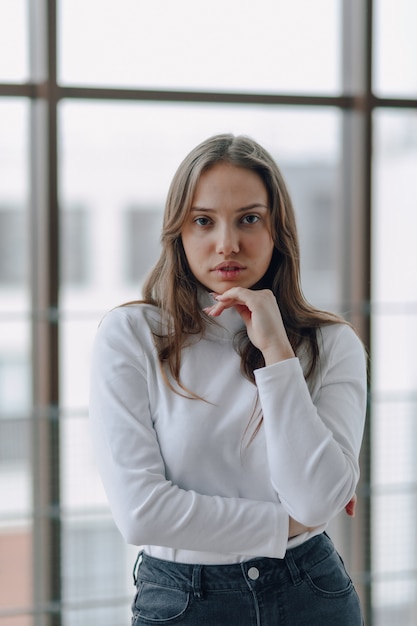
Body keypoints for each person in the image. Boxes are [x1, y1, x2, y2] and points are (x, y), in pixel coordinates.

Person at [89, 134, 367, 625]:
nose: (227, 244)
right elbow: (141, 513)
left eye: (249, 219)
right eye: (203, 221)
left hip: (311, 593)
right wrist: (287, 523)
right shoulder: (131, 335)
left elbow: (317, 498)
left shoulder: (332, 343)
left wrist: (278, 352)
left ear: (277, 230)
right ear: (179, 232)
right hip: (183, 602)